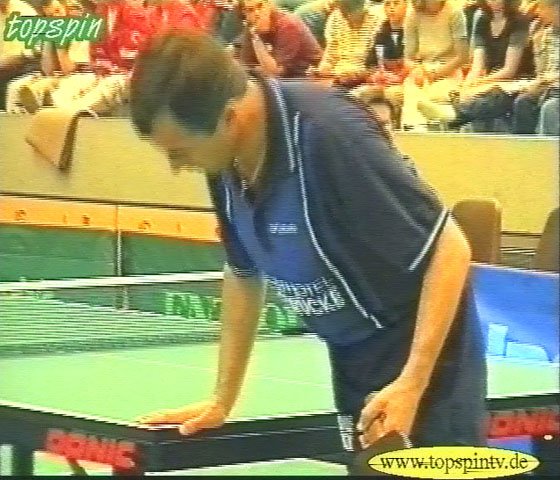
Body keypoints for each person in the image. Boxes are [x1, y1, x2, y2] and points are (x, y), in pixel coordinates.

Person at [131, 31, 487, 471]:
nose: (175, 167)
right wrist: (222, 399)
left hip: (425, 357)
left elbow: (450, 247)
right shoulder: (224, 159)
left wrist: (413, 382)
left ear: (229, 118)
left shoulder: (331, 136)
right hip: (352, 353)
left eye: (179, 150)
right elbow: (243, 271)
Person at [237, 0, 323, 77]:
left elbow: (274, 73)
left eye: (260, 6)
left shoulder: (287, 24)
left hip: (309, 77)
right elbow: (246, 66)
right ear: (245, 13)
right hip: (287, 78)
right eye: (250, 10)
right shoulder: (251, 25)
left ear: (269, 5)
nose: (257, 13)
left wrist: (256, 38)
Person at [317, 0, 382, 76]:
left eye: (352, 14)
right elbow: (330, 53)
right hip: (337, 73)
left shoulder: (376, 22)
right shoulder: (336, 18)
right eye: (345, 15)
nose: (348, 19)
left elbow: (377, 63)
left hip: (363, 74)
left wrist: (360, 74)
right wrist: (325, 66)